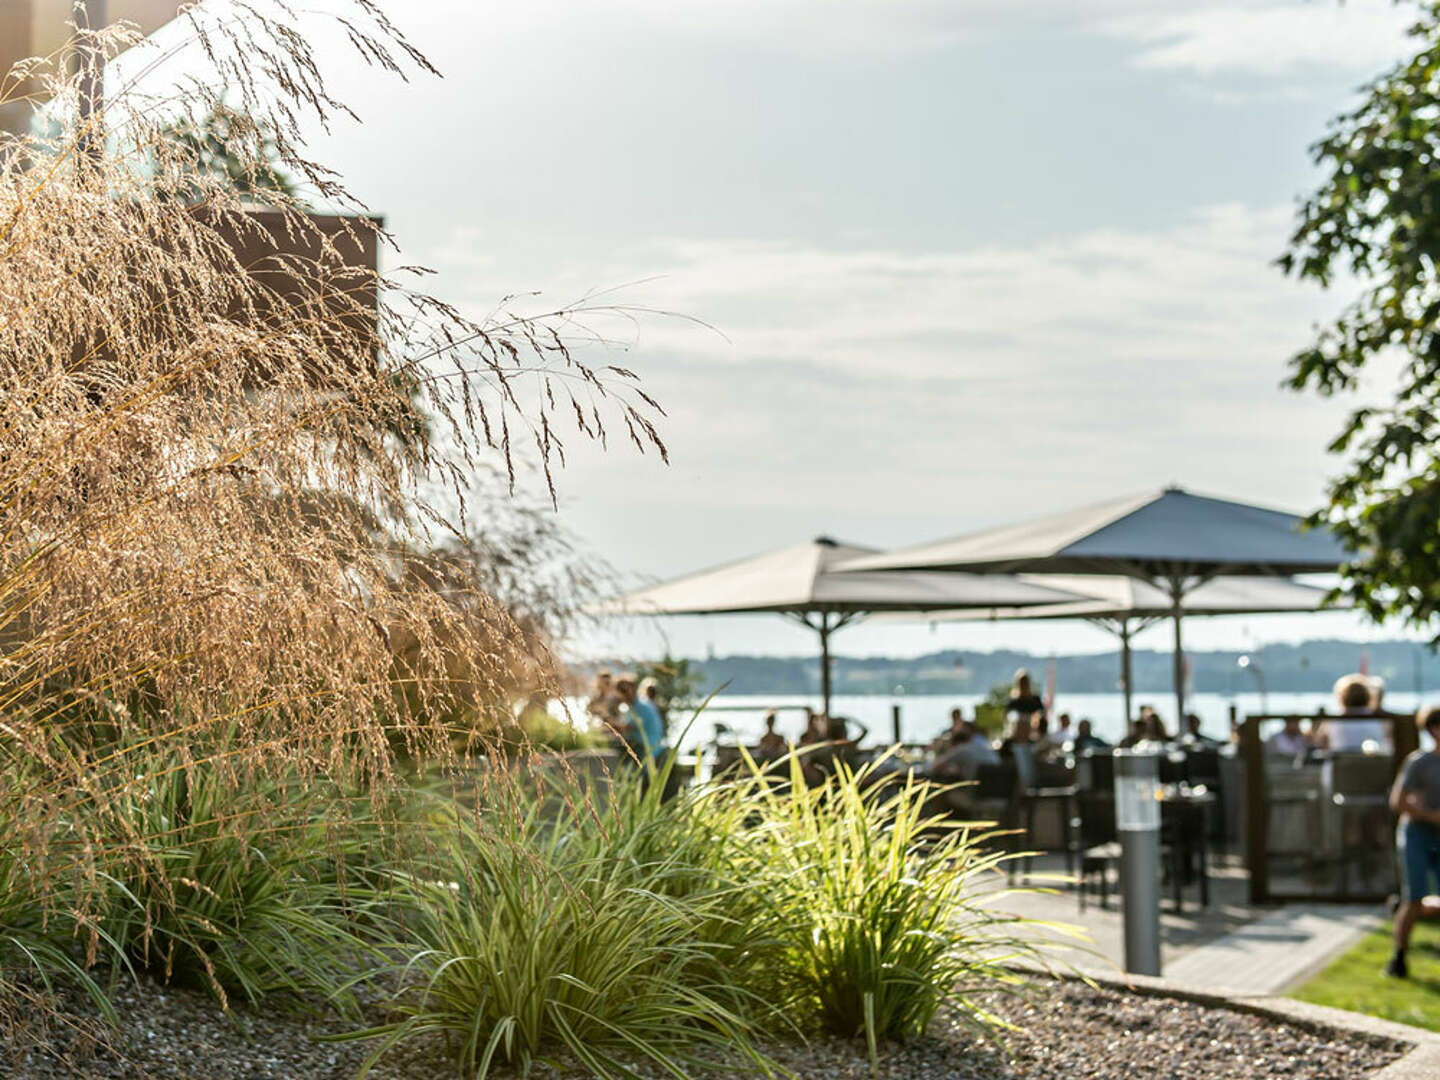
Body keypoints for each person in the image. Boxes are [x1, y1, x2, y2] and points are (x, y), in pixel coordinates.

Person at [1385, 706, 1440, 979]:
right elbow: (1398, 801)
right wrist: (1430, 815)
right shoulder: (1419, 762)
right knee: (1414, 897)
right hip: (1417, 833)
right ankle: (1399, 957)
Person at [1315, 673, 1390, 752]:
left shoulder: (1332, 721)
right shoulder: (1380, 721)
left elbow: (1320, 743)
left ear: (1342, 697)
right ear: (1367, 696)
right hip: (1371, 763)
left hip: (1340, 762)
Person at [614, 673, 666, 765]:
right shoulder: (629, 707)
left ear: (633, 689)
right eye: (620, 690)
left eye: (625, 690)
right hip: (639, 745)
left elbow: (627, 728)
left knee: (615, 750)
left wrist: (607, 724)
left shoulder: (643, 706)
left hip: (649, 748)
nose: (623, 694)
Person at [930, 716, 999, 782]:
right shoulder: (985, 746)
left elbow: (934, 768)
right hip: (998, 789)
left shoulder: (962, 749)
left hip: (975, 791)